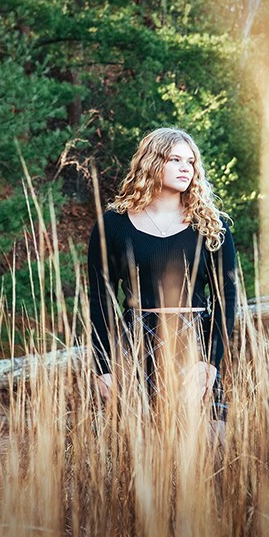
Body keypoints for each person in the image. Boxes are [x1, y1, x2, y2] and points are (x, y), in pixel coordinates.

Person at [87, 127, 237, 441]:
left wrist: (209, 361)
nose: (186, 168)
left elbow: (226, 298)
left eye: (191, 162)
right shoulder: (113, 225)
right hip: (137, 340)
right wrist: (104, 367)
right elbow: (101, 300)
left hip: (193, 340)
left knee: (210, 444)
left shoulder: (212, 226)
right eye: (175, 159)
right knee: (139, 450)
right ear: (153, 163)